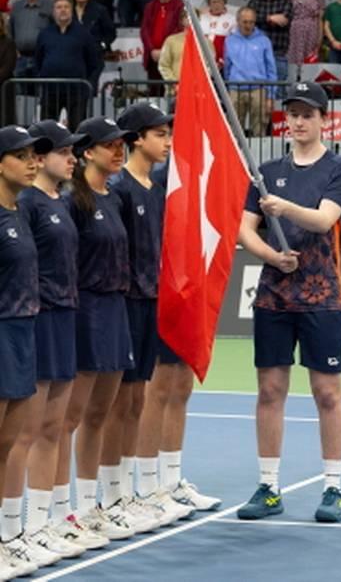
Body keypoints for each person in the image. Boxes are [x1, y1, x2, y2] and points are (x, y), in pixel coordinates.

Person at [236, 82, 341, 524]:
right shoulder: (265, 171)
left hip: (322, 296)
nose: (300, 121)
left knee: (327, 393)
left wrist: (282, 208)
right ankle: (269, 487)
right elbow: (244, 229)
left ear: (324, 118)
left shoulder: (339, 168)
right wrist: (270, 255)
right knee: (270, 391)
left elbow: (325, 219)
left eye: (308, 114)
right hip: (272, 295)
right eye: (294, 114)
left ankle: (333, 488)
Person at [8, 122, 105, 560]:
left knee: (52, 427)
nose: (71, 158)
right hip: (35, 320)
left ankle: (44, 521)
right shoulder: (25, 204)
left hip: (63, 317)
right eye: (62, 152)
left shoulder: (62, 203)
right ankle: (18, 528)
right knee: (25, 432)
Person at [108, 103, 197, 534]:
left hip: (153, 302)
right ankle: (112, 496)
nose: (167, 142)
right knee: (116, 404)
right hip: (124, 305)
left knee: (136, 400)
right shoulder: (120, 189)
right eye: (160, 135)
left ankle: (135, 492)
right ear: (136, 140)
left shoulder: (158, 188)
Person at [60, 117, 141, 542]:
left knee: (101, 413)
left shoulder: (116, 197)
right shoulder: (74, 200)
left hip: (117, 308)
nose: (118, 151)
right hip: (86, 310)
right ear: (86, 152)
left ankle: (91, 504)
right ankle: (61, 511)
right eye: (108, 145)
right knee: (70, 417)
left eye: (121, 144)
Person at [0, 126, 53, 576]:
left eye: (35, 156)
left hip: (22, 333)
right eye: (22, 156)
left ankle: (6, 537)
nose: (34, 162)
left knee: (7, 444)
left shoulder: (19, 213)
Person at [35, 0, 100, 129]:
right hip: (50, 90)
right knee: (47, 130)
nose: (62, 10)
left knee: (77, 130)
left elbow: (95, 63)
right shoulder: (45, 34)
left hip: (77, 92)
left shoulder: (84, 34)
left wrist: (88, 85)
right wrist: (41, 79)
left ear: (72, 10)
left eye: (66, 7)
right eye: (59, 7)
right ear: (53, 11)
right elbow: (38, 60)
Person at [224, 6, 278, 137]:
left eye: (251, 22)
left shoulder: (264, 41)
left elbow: (271, 70)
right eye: (245, 22)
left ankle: (259, 158)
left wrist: (270, 96)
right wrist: (229, 87)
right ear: (238, 21)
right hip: (235, 88)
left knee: (259, 129)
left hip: (258, 89)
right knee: (233, 130)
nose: (248, 25)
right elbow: (227, 66)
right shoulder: (229, 40)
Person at [248, 0, 293, 82]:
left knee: (278, 93)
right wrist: (270, 18)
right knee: (258, 91)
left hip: (278, 54)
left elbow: (283, 21)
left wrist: (260, 19)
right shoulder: (254, 1)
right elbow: (248, 21)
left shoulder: (285, 1)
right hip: (257, 54)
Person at [9, 0, 53, 82]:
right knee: (19, 96)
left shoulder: (51, 5)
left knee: (40, 94)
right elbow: (10, 31)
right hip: (20, 60)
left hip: (42, 59)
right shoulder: (16, 6)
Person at [140, 0, 183, 85]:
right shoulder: (149, 7)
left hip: (172, 56)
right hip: (153, 57)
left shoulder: (180, 5)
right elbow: (144, 30)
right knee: (154, 92)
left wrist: (163, 50)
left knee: (171, 91)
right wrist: (152, 50)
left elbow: (179, 28)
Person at [70, 0, 115, 81]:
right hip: (71, 58)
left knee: (90, 89)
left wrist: (102, 45)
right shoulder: (67, 9)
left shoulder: (100, 10)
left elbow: (111, 33)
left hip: (94, 58)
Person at [285, 0, 324, 69]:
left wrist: (319, 38)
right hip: (294, 30)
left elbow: (320, 17)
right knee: (293, 62)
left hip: (311, 30)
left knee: (309, 64)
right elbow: (286, 14)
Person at [198, 0, 235, 66]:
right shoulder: (201, 18)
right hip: (202, 61)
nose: (216, 5)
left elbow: (233, 44)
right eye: (213, 2)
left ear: (224, 2)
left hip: (222, 62)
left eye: (219, 2)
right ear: (209, 3)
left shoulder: (232, 19)